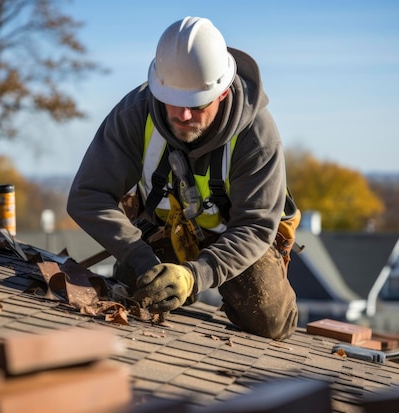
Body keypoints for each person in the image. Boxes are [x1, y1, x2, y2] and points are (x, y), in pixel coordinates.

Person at [67, 16, 299, 340]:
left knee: (270, 321)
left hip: (234, 241)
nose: (182, 115)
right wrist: (139, 257)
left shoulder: (257, 136)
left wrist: (197, 275)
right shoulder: (134, 115)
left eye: (195, 104)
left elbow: (255, 226)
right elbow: (87, 195)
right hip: (161, 233)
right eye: (172, 102)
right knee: (140, 294)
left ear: (222, 92)